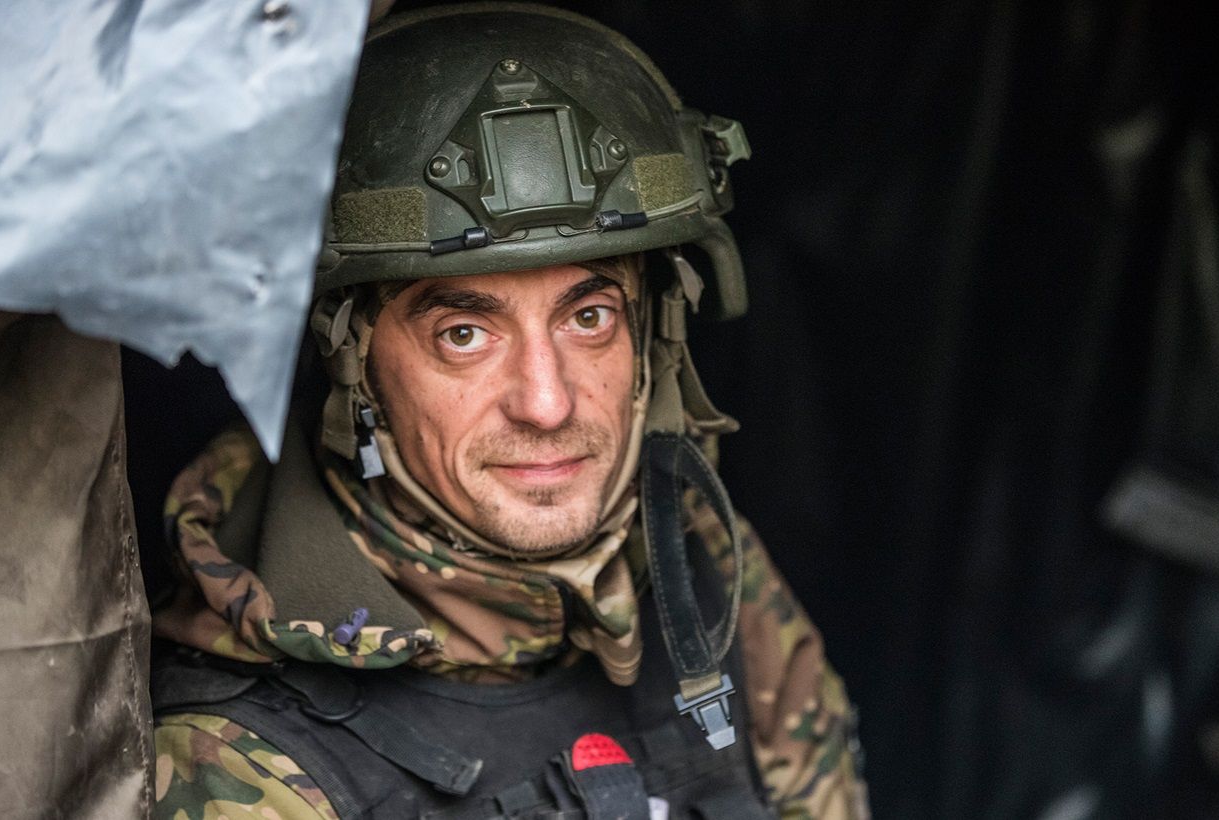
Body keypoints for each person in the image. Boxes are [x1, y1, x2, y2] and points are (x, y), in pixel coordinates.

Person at [149, 4, 868, 818]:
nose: (547, 403)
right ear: (355, 369)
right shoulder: (241, 764)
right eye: (463, 334)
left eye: (588, 317)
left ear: (652, 334)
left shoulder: (701, 566)